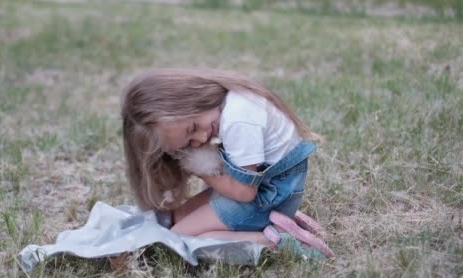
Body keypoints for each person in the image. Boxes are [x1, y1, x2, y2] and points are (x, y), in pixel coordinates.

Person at [121, 68, 332, 257]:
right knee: (177, 217)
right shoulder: (229, 101)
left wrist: (199, 167)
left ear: (189, 97)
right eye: (188, 144)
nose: (202, 139)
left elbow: (244, 193)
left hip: (267, 195)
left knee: (178, 238)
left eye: (193, 128)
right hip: (268, 188)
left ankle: (277, 242)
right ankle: (278, 222)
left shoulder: (238, 119)